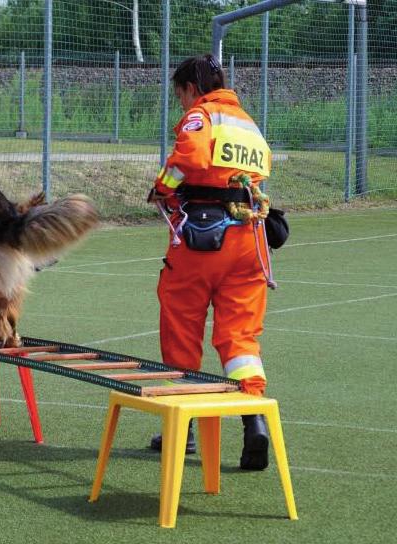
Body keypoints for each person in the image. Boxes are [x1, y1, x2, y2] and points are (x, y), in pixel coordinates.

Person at [148, 54, 273, 470]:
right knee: (240, 339)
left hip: (203, 240)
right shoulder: (248, 124)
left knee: (182, 324)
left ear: (190, 88)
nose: (181, 104)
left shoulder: (201, 117)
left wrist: (161, 189)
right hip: (250, 241)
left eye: (180, 95)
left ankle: (180, 430)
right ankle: (253, 416)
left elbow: (191, 159)